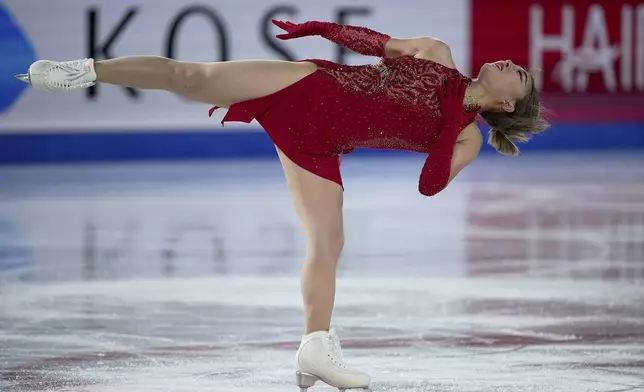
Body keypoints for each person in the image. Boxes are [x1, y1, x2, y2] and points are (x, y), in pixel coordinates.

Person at [16, 19, 550, 391]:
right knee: (192, 77)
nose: (510, 63)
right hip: (306, 86)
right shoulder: (435, 51)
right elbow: (370, 41)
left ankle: (316, 346)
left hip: (317, 145)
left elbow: (429, 186)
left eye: (519, 75)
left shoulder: (468, 139)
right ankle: (86, 71)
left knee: (328, 243)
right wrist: (317, 30)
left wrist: (455, 115)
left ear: (507, 103)